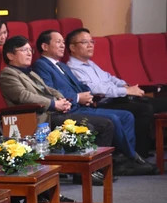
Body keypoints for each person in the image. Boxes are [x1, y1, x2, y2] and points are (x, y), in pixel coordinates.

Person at [32, 30, 153, 173]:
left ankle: (123, 158)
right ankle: (132, 157)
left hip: (82, 105)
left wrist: (87, 94)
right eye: (58, 42)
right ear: (45, 47)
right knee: (112, 118)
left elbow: (81, 85)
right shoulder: (41, 65)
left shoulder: (62, 65)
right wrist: (78, 97)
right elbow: (51, 90)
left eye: (63, 42)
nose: (62, 45)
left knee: (126, 116)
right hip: (68, 109)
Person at [0, 35, 116, 148]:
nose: (29, 53)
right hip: (38, 117)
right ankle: (86, 166)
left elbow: (49, 90)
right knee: (90, 126)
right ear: (10, 55)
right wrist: (54, 104)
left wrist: (62, 100)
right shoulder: (8, 74)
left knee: (106, 124)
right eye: (24, 50)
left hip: (54, 113)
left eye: (30, 50)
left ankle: (100, 166)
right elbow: (23, 96)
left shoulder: (30, 72)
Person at [66, 28, 167, 158]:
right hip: (101, 103)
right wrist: (126, 91)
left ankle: (140, 152)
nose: (90, 45)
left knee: (159, 102)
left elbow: (109, 78)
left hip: (116, 98)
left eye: (92, 41)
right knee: (144, 108)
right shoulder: (73, 68)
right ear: (72, 47)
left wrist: (124, 85)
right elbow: (96, 89)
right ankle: (139, 154)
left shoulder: (90, 64)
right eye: (85, 42)